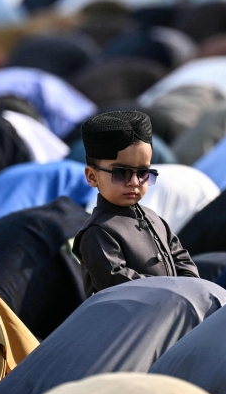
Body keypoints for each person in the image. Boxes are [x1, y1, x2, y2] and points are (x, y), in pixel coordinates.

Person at [73, 110, 199, 296]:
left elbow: (180, 258)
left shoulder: (153, 218)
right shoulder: (97, 232)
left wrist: (189, 288)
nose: (134, 182)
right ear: (92, 176)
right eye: (120, 173)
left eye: (142, 173)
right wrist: (171, 289)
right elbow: (116, 281)